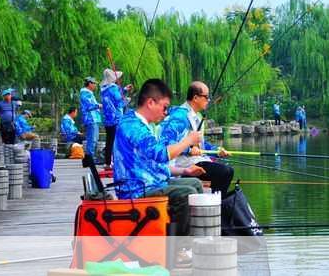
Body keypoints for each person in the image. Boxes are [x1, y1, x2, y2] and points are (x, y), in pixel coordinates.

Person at [113, 78, 206, 236]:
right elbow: (161, 154)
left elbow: (155, 165)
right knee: (186, 194)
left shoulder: (143, 125)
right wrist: (188, 141)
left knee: (195, 183)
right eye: (164, 107)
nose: (165, 113)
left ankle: (195, 239)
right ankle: (178, 249)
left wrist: (185, 171)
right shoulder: (133, 126)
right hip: (136, 190)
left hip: (151, 183)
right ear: (150, 103)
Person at [159, 81, 234, 198]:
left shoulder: (197, 117)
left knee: (227, 169)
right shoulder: (179, 117)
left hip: (197, 159)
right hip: (182, 163)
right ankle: (215, 204)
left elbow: (201, 145)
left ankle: (216, 204)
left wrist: (217, 150)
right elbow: (166, 143)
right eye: (206, 97)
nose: (208, 100)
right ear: (195, 98)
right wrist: (188, 149)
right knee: (224, 172)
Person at [100, 68, 133, 170]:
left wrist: (124, 90)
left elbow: (115, 96)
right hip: (116, 118)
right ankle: (116, 162)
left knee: (109, 141)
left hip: (107, 119)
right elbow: (119, 101)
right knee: (116, 141)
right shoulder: (114, 88)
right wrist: (127, 100)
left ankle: (107, 162)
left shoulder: (104, 90)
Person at [80, 77, 102, 163]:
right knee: (92, 139)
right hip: (91, 118)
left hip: (94, 119)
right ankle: (89, 158)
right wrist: (98, 105)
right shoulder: (85, 93)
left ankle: (91, 157)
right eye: (94, 83)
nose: (95, 85)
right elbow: (88, 105)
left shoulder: (89, 93)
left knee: (95, 138)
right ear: (89, 83)